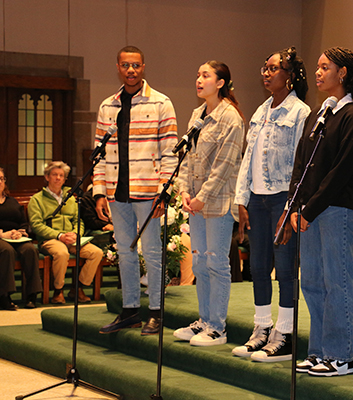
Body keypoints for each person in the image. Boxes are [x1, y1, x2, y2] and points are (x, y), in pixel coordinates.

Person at [291, 47, 353, 377]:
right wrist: (297, 204)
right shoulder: (318, 114)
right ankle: (318, 351)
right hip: (310, 210)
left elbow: (341, 172)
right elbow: (302, 162)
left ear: (342, 73)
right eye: (317, 66)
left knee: (336, 281)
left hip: (336, 209)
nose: (318, 72)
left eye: (325, 67)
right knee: (311, 281)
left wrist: (310, 208)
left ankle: (340, 355)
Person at [232, 47, 310, 361]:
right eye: (264, 68)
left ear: (289, 77)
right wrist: (242, 199)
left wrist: (293, 206)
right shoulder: (260, 111)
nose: (266, 73)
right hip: (258, 199)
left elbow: (302, 164)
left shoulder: (300, 112)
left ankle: (286, 334)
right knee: (260, 266)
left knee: (286, 269)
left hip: (282, 199)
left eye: (274, 68)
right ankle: (261, 329)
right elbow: (247, 158)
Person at [94, 46, 178, 335]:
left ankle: (155, 311)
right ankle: (130, 310)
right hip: (117, 192)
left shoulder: (160, 103)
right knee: (125, 253)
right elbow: (99, 153)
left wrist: (164, 192)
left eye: (136, 65)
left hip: (149, 192)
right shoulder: (108, 106)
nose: (131, 70)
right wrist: (98, 192)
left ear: (144, 68)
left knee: (153, 253)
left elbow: (170, 151)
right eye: (126, 65)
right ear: (118, 67)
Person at [172, 61, 244, 346]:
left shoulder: (231, 118)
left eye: (206, 75)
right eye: (198, 74)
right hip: (196, 203)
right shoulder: (197, 115)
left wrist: (203, 196)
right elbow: (188, 158)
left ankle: (218, 327)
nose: (199, 79)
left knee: (216, 262)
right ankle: (203, 320)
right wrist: (185, 191)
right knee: (200, 262)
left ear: (221, 82)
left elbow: (226, 164)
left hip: (219, 202)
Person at [29, 161, 103, 304]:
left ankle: (78, 288)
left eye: (61, 176)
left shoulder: (71, 198)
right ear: (47, 177)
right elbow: (36, 225)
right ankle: (58, 291)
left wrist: (76, 234)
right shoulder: (37, 199)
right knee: (62, 253)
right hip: (50, 239)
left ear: (65, 179)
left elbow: (78, 220)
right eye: (54, 175)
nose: (58, 178)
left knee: (96, 252)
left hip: (72, 239)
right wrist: (59, 235)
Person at [0, 167, 42, 310]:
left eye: (1, 179)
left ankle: (32, 295)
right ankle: (4, 296)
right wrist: (2, 234)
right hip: (1, 238)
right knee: (6, 251)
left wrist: (21, 232)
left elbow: (23, 221)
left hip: (15, 237)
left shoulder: (12, 201)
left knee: (30, 249)